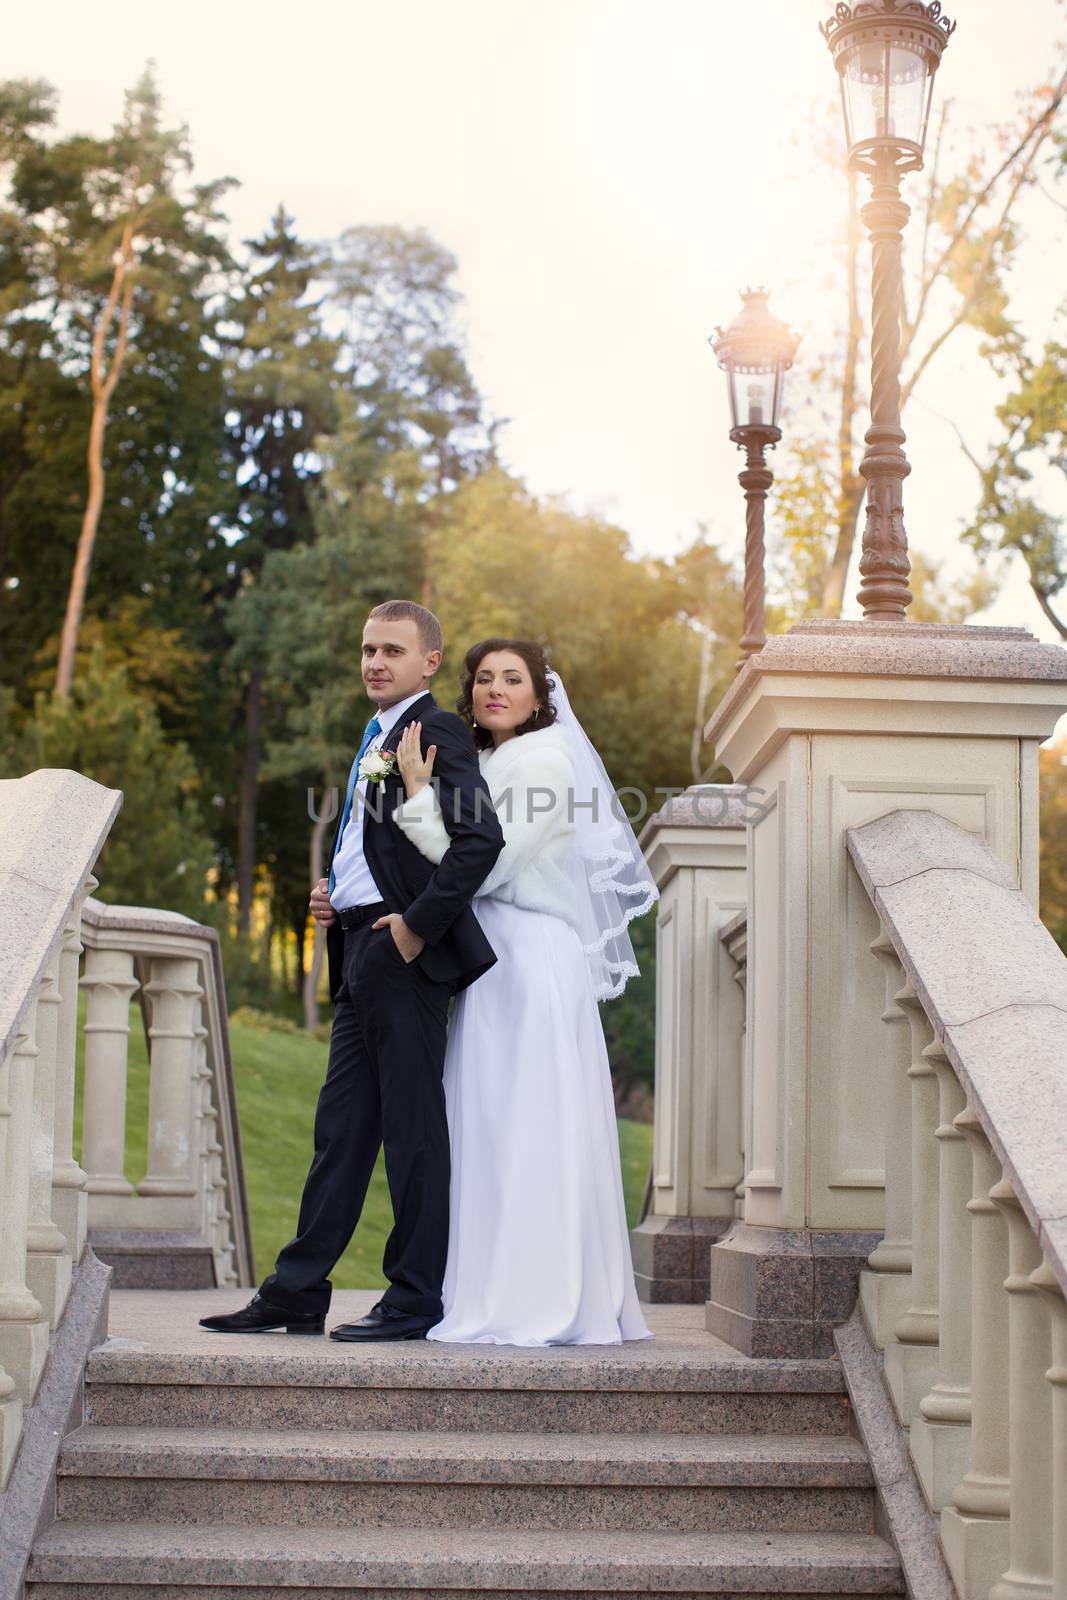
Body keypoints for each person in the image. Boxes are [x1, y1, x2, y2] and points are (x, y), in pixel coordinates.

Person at [200, 600, 504, 1342]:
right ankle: (297, 1290)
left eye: (392, 651)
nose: (374, 662)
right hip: (359, 946)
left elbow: (478, 841)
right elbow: (383, 844)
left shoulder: (431, 730)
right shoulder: (375, 735)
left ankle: (413, 1298)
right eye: (368, 649)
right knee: (341, 1129)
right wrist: (339, 889)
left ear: (429, 662)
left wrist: (412, 928)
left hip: (400, 956)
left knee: (411, 1132)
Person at [392, 637, 656, 1345]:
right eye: (483, 678)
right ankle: (485, 1285)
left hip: (532, 952)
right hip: (491, 954)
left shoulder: (546, 759)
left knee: (531, 1117)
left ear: (540, 697)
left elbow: (489, 864)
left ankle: (540, 1296)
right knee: (487, 1120)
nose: (495, 689)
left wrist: (418, 798)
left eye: (512, 679)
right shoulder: (479, 760)